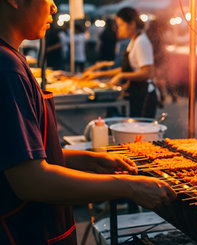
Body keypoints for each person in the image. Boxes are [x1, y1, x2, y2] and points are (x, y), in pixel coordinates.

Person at [0, 1, 176, 244]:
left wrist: (87, 159)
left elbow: (19, 156)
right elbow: (30, 181)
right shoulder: (6, 67)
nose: (53, 7)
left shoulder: (11, 60)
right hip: (24, 232)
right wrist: (128, 186)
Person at [83, 7, 157, 118]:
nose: (119, 29)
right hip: (136, 93)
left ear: (132, 24)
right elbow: (125, 68)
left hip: (144, 95)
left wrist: (121, 75)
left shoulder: (141, 42)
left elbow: (148, 73)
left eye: (121, 25)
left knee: (140, 133)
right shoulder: (134, 40)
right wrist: (98, 74)